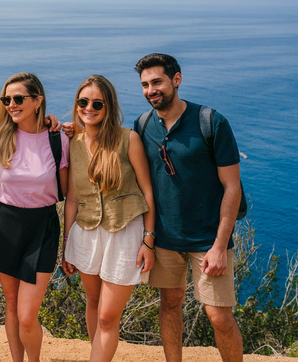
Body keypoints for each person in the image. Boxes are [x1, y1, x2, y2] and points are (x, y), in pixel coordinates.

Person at [134, 53, 243, 362]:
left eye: (157, 82)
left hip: (208, 240)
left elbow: (232, 187)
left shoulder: (211, 122)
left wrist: (220, 245)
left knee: (219, 317)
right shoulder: (143, 125)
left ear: (176, 80)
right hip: (166, 238)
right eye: (144, 84)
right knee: (169, 304)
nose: (150, 90)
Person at [61, 75, 156, 362]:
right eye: (83, 102)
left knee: (107, 317)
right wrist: (66, 244)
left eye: (97, 103)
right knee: (92, 302)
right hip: (86, 232)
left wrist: (149, 241)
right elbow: (72, 199)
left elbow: (148, 191)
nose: (89, 108)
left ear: (109, 106)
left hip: (124, 233)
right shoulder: (72, 142)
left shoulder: (129, 139)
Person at [0, 72, 69, 362]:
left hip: (42, 227)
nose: (11, 104)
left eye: (19, 98)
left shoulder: (59, 139)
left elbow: (69, 190)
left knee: (27, 314)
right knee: (11, 305)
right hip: (5, 224)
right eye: (6, 99)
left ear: (37, 101)